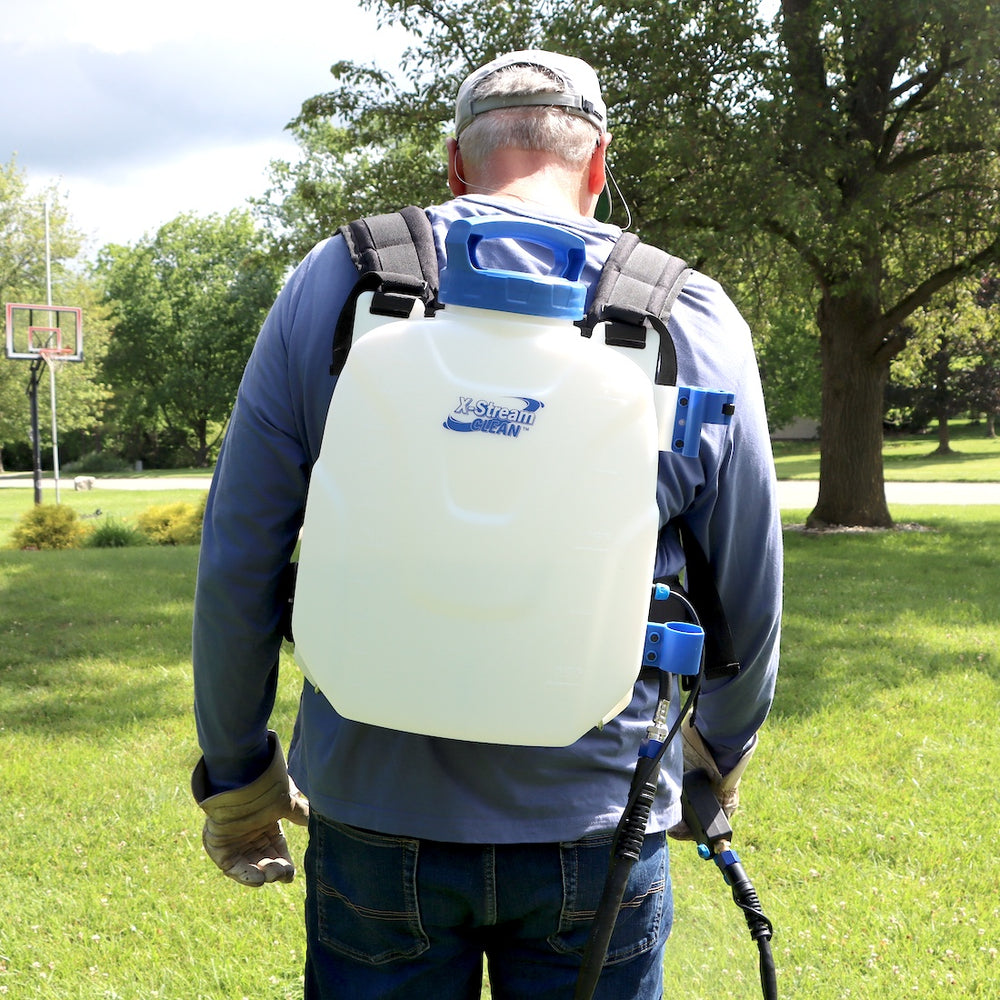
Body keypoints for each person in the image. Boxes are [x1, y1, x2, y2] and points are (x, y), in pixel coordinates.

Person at [191, 49, 782, 1000]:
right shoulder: (691, 312)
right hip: (600, 818)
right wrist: (719, 750)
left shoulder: (332, 283)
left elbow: (240, 557)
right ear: (597, 164)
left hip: (376, 814)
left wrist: (238, 774)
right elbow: (747, 588)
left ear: (456, 166)